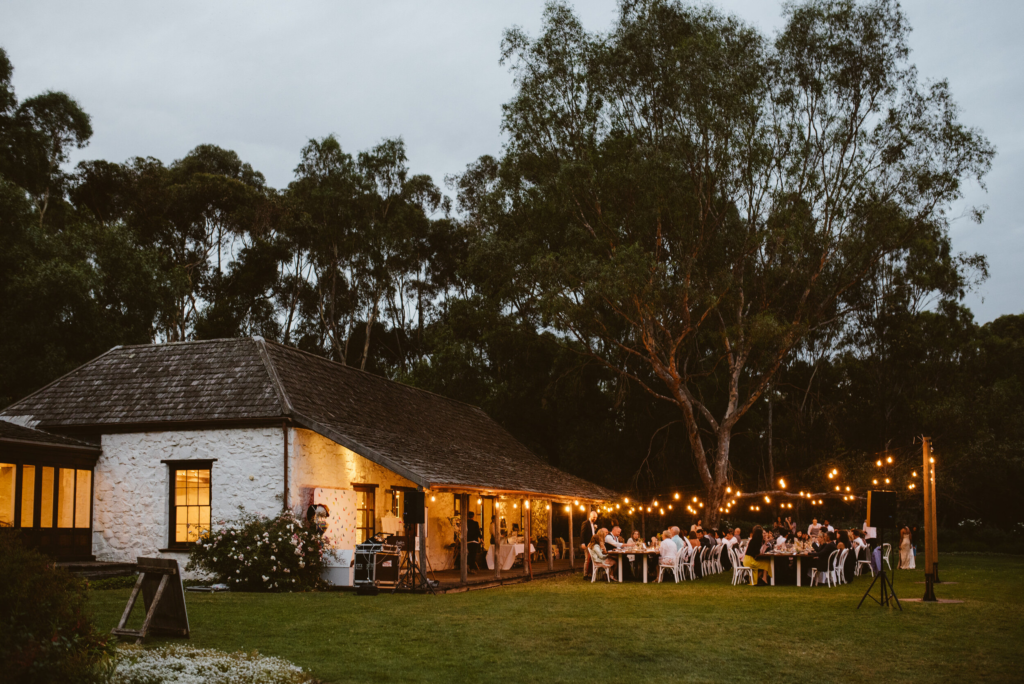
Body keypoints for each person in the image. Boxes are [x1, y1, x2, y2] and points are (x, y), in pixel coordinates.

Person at [580, 510, 599, 576]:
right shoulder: (585, 523)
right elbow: (582, 534)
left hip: (593, 544)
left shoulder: (593, 524)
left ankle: (590, 573)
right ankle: (585, 574)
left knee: (592, 558)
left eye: (596, 517)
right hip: (587, 544)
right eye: (593, 517)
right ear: (590, 516)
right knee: (587, 559)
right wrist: (582, 543)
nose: (595, 519)